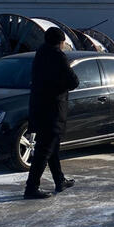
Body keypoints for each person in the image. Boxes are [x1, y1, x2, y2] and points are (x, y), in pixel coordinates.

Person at [24, 27, 80, 199]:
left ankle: (59, 180)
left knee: (52, 147)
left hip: (39, 107)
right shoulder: (58, 56)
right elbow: (74, 81)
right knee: (45, 149)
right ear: (61, 42)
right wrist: (60, 87)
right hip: (53, 109)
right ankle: (31, 187)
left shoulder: (40, 54)